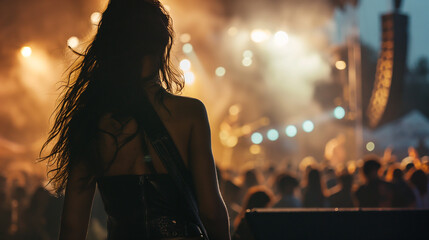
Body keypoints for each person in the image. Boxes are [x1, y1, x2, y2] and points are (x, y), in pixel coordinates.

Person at [40, 0, 230, 239]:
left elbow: (71, 226)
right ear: (162, 44)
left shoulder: (90, 121)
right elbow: (211, 212)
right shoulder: (190, 113)